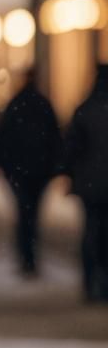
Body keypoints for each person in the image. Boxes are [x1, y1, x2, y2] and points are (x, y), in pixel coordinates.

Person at [0, 70, 63, 276]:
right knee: (32, 214)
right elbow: (55, 138)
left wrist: (6, 165)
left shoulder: (15, 105)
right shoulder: (43, 105)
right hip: (38, 170)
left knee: (24, 213)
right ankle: (30, 257)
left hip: (20, 171)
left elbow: (3, 137)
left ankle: (26, 257)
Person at [65, 63, 108, 302]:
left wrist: (70, 173)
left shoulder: (85, 109)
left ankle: (91, 282)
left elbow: (72, 148)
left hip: (90, 185)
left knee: (91, 232)